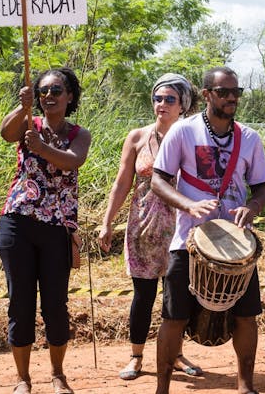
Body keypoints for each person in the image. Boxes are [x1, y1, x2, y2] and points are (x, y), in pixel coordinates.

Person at [151, 66, 265, 394]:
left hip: (236, 242)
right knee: (173, 318)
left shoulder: (249, 138)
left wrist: (254, 207)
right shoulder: (183, 132)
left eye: (237, 92)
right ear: (207, 95)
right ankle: (162, 388)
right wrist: (188, 205)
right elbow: (158, 179)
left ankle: (245, 385)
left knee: (246, 317)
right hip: (189, 241)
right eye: (224, 92)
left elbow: (261, 187)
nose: (232, 98)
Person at [98, 73, 203, 380]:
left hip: (181, 227)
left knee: (178, 295)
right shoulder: (137, 137)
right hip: (142, 224)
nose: (162, 104)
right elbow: (122, 183)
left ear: (182, 104)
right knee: (143, 294)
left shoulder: (193, 138)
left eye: (170, 99)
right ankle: (136, 356)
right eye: (158, 98)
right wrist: (107, 222)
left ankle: (177, 354)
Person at [0, 67, 91, 394]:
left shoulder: (80, 134)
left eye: (56, 90)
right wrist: (21, 107)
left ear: (69, 96)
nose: (48, 96)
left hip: (57, 227)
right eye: (43, 91)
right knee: (20, 303)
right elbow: (6, 134)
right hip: (18, 221)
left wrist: (40, 147)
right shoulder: (28, 123)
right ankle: (23, 379)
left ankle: (57, 375)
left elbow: (71, 161)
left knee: (55, 304)